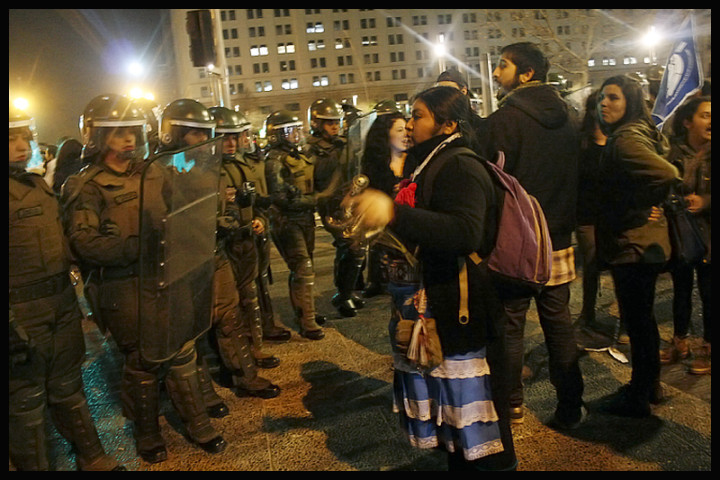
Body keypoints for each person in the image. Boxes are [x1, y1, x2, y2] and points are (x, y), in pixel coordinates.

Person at [341, 86, 517, 471]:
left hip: (462, 306)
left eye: (418, 115)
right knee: (453, 423)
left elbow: (465, 232)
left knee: (480, 424)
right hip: (438, 299)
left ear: (448, 124)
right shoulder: (430, 161)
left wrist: (393, 214)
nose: (408, 123)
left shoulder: (460, 164)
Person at [62, 94, 226, 463]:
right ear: (98, 137)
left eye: (132, 131)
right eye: (118, 133)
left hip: (165, 276)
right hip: (121, 285)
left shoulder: (155, 171)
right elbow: (83, 243)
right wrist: (139, 246)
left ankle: (198, 423)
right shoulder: (85, 185)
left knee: (182, 347)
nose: (129, 140)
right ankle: (147, 432)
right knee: (143, 360)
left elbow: (183, 207)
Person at [9, 105, 124, 471]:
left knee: (68, 386)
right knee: (25, 401)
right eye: (10, 139)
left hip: (58, 301)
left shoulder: (36, 184)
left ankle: (92, 457)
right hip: (21, 313)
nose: (21, 146)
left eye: (23, 137)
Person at [478, 42, 585, 429]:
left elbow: (489, 181)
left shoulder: (505, 121)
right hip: (558, 237)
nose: (494, 73)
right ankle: (570, 404)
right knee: (559, 323)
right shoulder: (571, 115)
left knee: (510, 325)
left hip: (518, 242)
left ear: (526, 74)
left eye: (502, 66)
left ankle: (510, 405)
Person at [595, 75, 680, 417]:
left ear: (630, 101)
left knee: (639, 321)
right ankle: (649, 386)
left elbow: (667, 173)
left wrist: (635, 208)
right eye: (602, 97)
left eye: (613, 97)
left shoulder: (626, 139)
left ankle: (639, 394)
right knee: (643, 321)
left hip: (633, 244)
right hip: (647, 242)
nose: (604, 103)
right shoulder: (642, 132)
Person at [208, 105, 282, 372]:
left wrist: (261, 221)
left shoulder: (245, 165)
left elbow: (258, 202)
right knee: (228, 307)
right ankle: (234, 358)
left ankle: (253, 348)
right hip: (220, 245)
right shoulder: (204, 170)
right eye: (223, 136)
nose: (230, 143)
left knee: (249, 297)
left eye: (234, 136)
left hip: (246, 241)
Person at [264, 110, 326, 340]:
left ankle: (305, 313)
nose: (296, 135)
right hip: (286, 221)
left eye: (297, 129)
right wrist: (316, 200)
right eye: (290, 131)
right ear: (277, 135)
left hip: (304, 217)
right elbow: (279, 196)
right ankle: (307, 322)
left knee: (304, 268)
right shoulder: (274, 161)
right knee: (303, 268)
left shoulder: (299, 154)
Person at [660, 96, 711, 374]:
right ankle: (680, 342)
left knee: (709, 292)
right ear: (688, 121)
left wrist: (706, 201)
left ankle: (708, 347)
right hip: (681, 234)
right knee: (681, 289)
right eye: (704, 115)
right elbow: (662, 186)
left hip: (710, 237)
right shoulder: (672, 153)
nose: (711, 120)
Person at [307, 98, 367, 317]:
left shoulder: (342, 145)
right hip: (329, 205)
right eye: (329, 122)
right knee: (351, 246)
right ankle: (343, 294)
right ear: (317, 123)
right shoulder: (310, 151)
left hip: (349, 201)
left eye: (336, 121)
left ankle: (346, 291)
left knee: (353, 247)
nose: (334, 126)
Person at [360, 110, 412, 297]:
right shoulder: (375, 164)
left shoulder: (415, 160)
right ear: (385, 134)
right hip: (384, 232)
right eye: (399, 130)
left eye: (407, 129)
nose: (405, 134)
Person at [576, 90, 608, 331]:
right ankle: (588, 314)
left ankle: (627, 319)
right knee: (592, 262)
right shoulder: (581, 143)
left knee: (621, 266)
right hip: (587, 216)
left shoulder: (621, 140)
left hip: (617, 216)